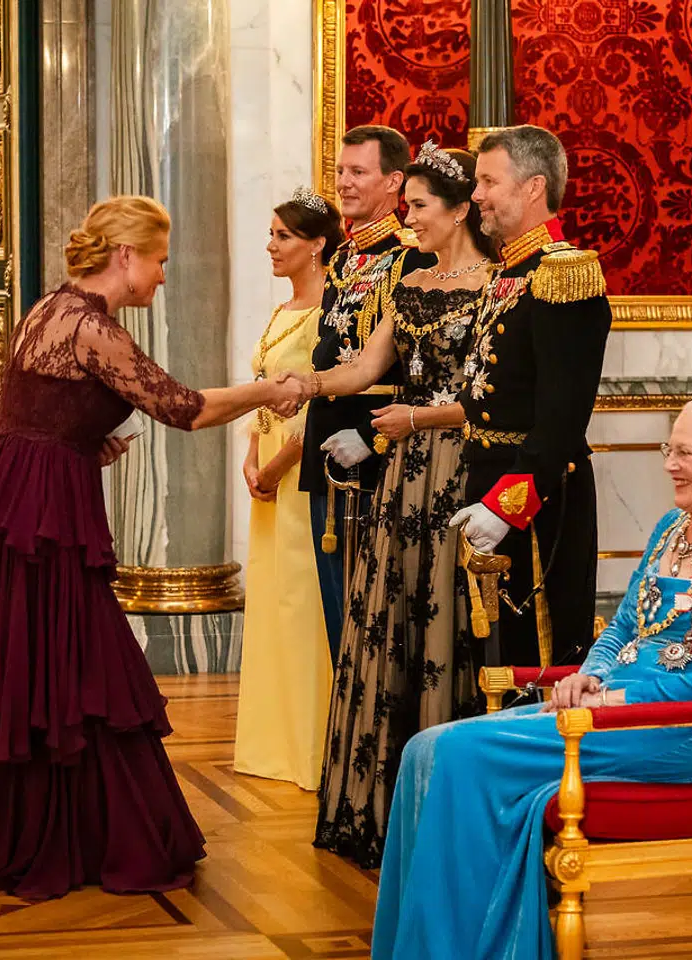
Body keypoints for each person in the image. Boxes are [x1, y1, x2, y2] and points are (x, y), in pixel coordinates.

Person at [0, 195, 307, 900]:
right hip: (40, 516)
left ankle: (48, 832)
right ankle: (87, 837)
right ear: (126, 256)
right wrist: (269, 391)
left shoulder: (49, 309)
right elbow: (182, 408)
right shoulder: (90, 326)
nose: (163, 276)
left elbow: (5, 409)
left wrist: (74, 440)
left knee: (45, 669)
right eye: (160, 260)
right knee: (81, 665)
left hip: (16, 504)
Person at [372, 378, 692, 960]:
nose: (669, 464)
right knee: (425, 749)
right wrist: (587, 675)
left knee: (458, 754)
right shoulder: (671, 531)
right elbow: (620, 628)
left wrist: (616, 699)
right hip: (611, 713)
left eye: (685, 452)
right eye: (668, 449)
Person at [304, 143, 494, 866]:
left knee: (443, 620)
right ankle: (383, 806)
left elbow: (488, 397)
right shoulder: (413, 282)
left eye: (418, 207)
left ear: (460, 209)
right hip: (403, 469)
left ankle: (446, 809)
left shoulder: (495, 284)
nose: (408, 220)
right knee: (388, 618)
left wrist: (419, 419)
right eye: (406, 206)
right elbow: (362, 369)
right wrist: (294, 387)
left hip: (454, 466)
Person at [448, 125, 613, 669]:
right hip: (490, 478)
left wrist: (507, 506)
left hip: (536, 497)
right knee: (492, 657)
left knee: (536, 661)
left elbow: (562, 421)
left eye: (488, 182)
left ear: (533, 187)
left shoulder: (564, 274)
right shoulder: (509, 272)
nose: (476, 195)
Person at [298, 125, 434, 659]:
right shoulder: (342, 259)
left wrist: (369, 435)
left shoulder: (411, 260)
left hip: (376, 445)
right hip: (325, 440)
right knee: (337, 615)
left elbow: (419, 370)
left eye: (359, 172)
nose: (345, 184)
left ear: (394, 181)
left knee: (374, 617)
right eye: (340, 172)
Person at [232, 188, 345, 791]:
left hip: (304, 474)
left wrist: (278, 467)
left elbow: (321, 404)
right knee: (274, 602)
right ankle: (273, 742)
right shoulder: (282, 312)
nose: (271, 247)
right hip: (270, 468)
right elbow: (262, 389)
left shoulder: (332, 308)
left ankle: (312, 748)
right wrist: (253, 454)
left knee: (304, 604)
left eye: (283, 237)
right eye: (271, 235)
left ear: (318, 244)